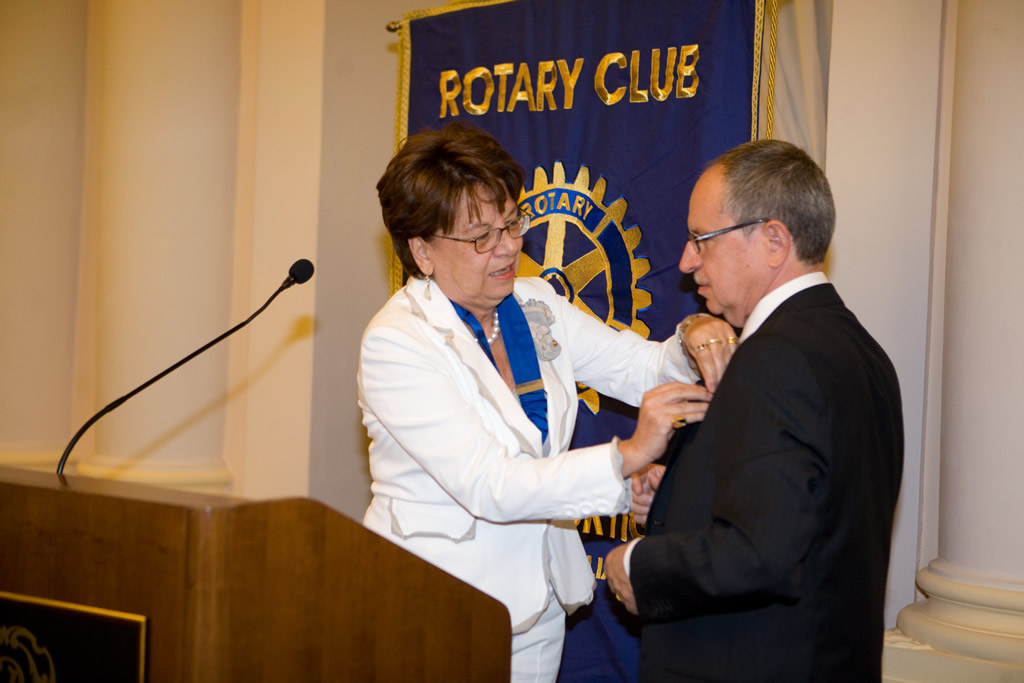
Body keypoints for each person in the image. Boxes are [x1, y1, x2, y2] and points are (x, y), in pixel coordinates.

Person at [358, 121, 735, 682]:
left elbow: (638, 368)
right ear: (422, 250)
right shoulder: (396, 343)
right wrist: (626, 457)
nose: (509, 246)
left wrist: (694, 337)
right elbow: (491, 484)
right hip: (434, 606)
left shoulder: (535, 302)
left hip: (537, 603)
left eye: (512, 222)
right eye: (481, 237)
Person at [606, 139, 904, 682]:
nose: (686, 261)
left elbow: (760, 553)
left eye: (701, 239)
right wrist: (676, 498)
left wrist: (633, 564)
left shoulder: (777, 357)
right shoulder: (861, 350)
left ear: (773, 241)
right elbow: (811, 517)